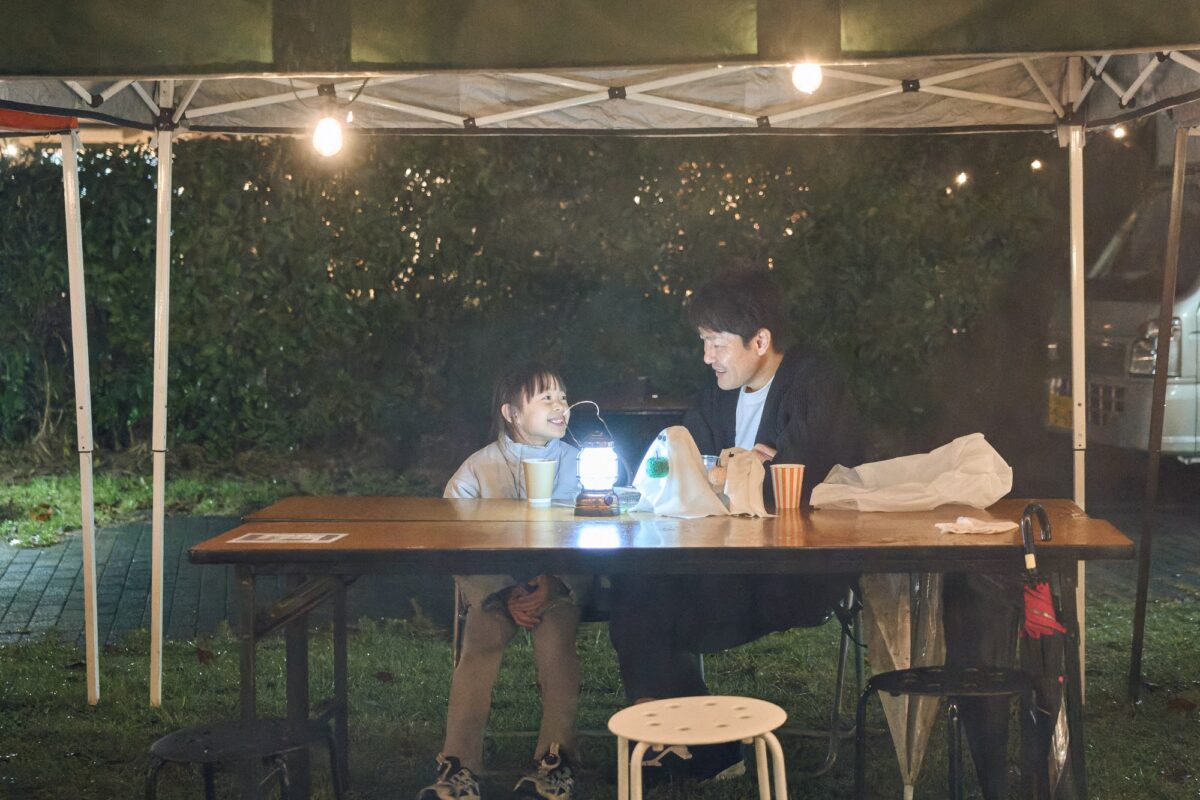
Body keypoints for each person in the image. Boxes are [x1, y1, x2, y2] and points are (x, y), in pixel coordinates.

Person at [608, 269, 863, 783]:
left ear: (760, 341)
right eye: (704, 343)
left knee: (648, 607)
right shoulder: (717, 395)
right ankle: (675, 739)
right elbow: (684, 469)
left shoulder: (814, 384)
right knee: (634, 588)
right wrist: (747, 465)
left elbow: (800, 479)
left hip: (789, 572)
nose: (707, 357)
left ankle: (685, 744)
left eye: (716, 343)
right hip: (717, 562)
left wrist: (739, 472)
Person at [420, 364, 586, 800]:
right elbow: (453, 535)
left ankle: (554, 758)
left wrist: (556, 583)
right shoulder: (479, 468)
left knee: (556, 644)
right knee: (480, 641)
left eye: (562, 397)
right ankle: (459, 763)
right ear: (512, 413)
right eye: (545, 398)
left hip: (555, 586)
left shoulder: (579, 463)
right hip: (497, 588)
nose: (560, 406)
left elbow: (600, 529)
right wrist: (499, 591)